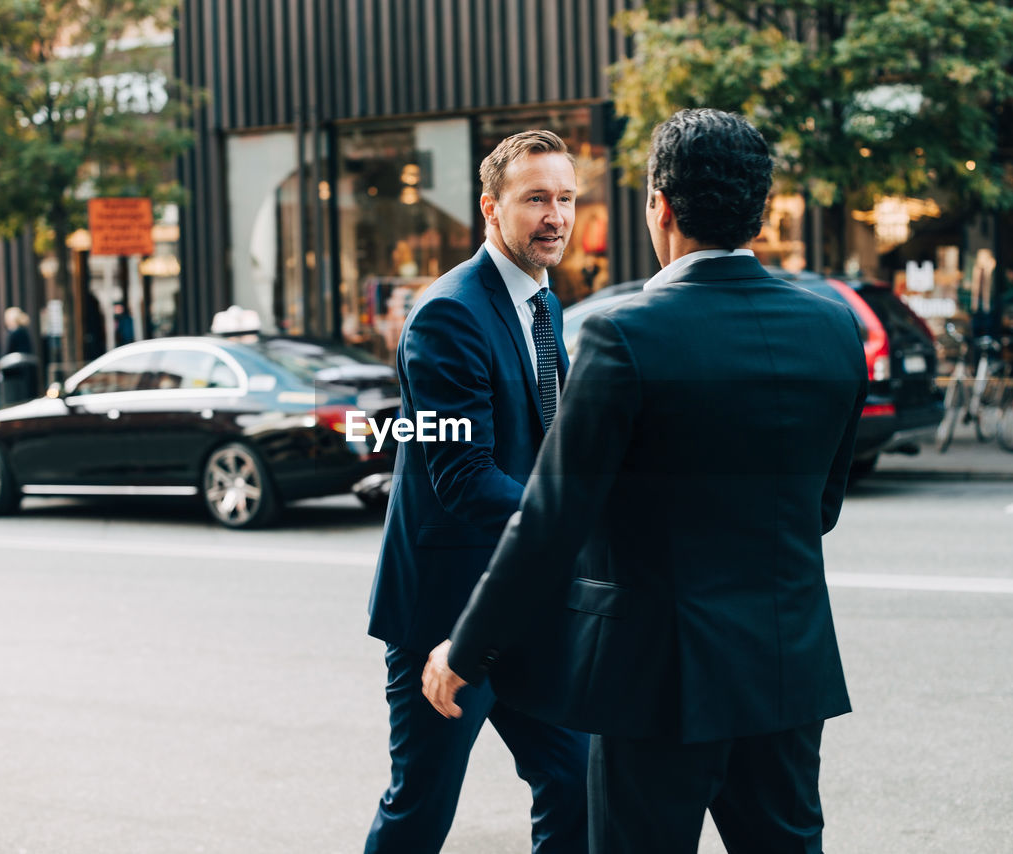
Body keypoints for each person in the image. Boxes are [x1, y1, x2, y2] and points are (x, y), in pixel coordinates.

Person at [422, 110, 869, 854]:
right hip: (788, 669)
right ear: (761, 210)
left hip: (659, 681)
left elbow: (551, 520)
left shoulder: (624, 334)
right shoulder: (832, 327)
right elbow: (820, 508)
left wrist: (465, 651)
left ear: (659, 205)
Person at [363, 130, 588, 854]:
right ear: (491, 209)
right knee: (420, 809)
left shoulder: (546, 303)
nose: (555, 216)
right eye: (535, 200)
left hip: (525, 601)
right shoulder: (448, 314)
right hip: (445, 609)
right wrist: (574, 523)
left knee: (576, 782)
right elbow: (462, 478)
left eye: (565, 199)